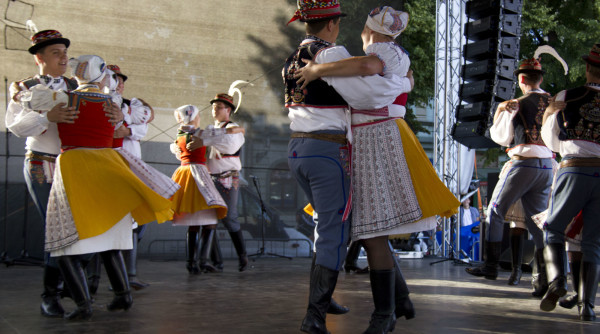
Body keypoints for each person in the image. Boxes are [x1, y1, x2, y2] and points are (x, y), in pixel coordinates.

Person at [293, 6, 459, 333]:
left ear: (370, 30)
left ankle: (385, 314)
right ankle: (397, 301)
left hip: (377, 138)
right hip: (370, 140)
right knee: (370, 228)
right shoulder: (389, 55)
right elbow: (366, 72)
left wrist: (317, 71)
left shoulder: (383, 52)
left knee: (371, 231)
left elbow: (366, 68)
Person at [17, 54, 179, 320]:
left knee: (64, 245)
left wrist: (19, 91)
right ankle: (122, 295)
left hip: (76, 167)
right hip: (109, 166)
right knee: (112, 239)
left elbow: (27, 98)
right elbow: (142, 115)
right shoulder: (115, 102)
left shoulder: (63, 98)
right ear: (102, 76)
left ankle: (83, 305)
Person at [5, 29, 81, 318]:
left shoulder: (79, 85)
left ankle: (69, 285)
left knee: (77, 228)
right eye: (56, 53)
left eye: (65, 53)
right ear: (39, 58)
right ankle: (50, 295)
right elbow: (15, 127)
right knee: (56, 228)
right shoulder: (24, 87)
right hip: (41, 163)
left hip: (74, 164)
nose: (64, 58)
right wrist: (46, 117)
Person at [465, 57, 554, 293]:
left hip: (523, 164)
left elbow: (501, 137)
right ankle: (544, 278)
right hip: (547, 166)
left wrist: (499, 111)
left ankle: (491, 266)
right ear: (541, 78)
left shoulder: (515, 103)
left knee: (495, 210)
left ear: (521, 79)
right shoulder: (553, 102)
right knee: (537, 222)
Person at [539, 43, 600, 321]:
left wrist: (551, 112)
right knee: (593, 243)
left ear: (588, 68)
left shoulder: (566, 96)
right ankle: (587, 307)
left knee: (553, 227)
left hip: (575, 169)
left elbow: (551, 141)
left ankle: (558, 282)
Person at [190, 92, 249, 272]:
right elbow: (200, 138)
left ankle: (243, 256)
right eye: (214, 107)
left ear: (228, 110)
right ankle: (214, 261)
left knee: (229, 217)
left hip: (228, 176)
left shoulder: (234, 128)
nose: (214, 109)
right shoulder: (214, 128)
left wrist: (206, 139)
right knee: (209, 218)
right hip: (210, 177)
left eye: (219, 107)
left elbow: (228, 144)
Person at [169, 104, 228, 274]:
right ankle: (203, 260)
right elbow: (221, 136)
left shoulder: (179, 135)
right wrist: (237, 130)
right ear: (194, 117)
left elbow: (178, 154)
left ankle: (191, 263)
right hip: (199, 172)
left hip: (184, 173)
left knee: (193, 224)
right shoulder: (201, 133)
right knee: (210, 220)